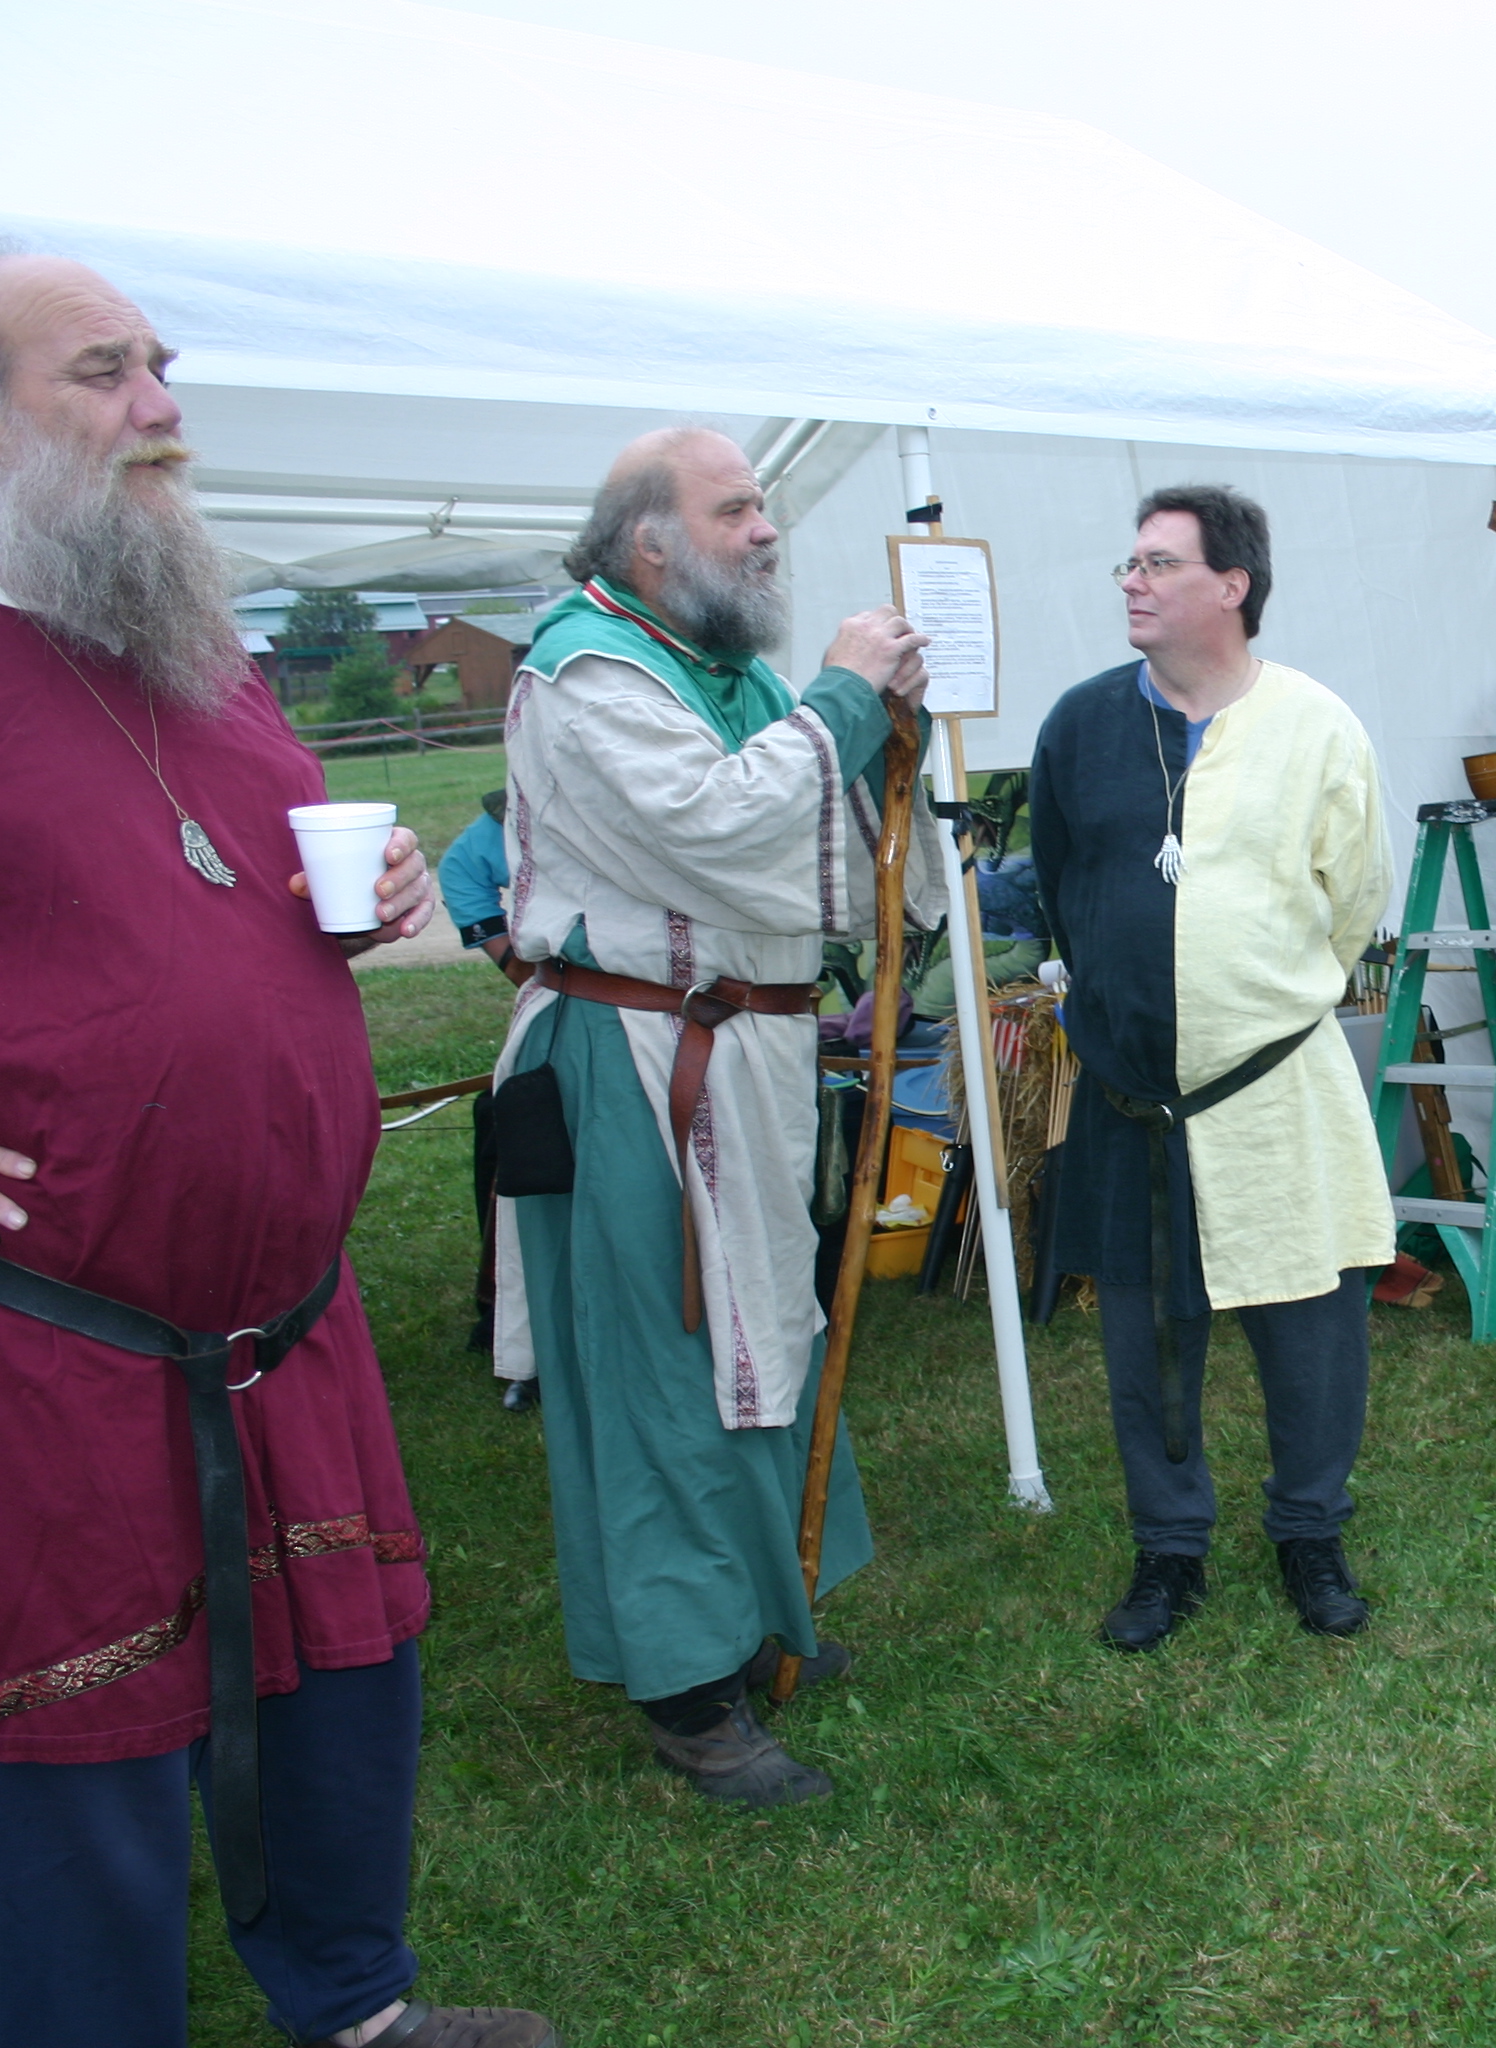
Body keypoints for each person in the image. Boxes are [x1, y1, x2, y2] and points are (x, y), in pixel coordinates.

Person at [0, 250, 550, 2047]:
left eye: (159, 365)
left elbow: (236, 890)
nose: (163, 409)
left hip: (289, 1314)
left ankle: (353, 2005)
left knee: (342, 1688)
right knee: (75, 1754)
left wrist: (375, 886)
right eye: (103, 372)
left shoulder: (187, 643)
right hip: (37, 1327)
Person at [494, 427, 939, 1804]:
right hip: (637, 1060)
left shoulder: (725, 669)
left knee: (758, 1323)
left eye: (763, 506)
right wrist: (845, 697)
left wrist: (888, 725)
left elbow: (822, 824)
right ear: (650, 541)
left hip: (737, 1053)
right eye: (735, 508)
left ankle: (754, 1609)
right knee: (664, 1363)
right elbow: (720, 825)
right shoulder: (588, 669)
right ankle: (687, 1685)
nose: (764, 530)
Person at [1026, 484, 1395, 1651]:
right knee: (1143, 1337)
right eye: (1129, 562)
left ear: (1232, 585)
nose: (1131, 581)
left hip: (1274, 1082)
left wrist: (1255, 1002)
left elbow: (1356, 899)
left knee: (1311, 1325)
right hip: (1133, 1096)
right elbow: (1064, 884)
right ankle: (1168, 1547)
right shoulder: (1079, 725)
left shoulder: (1317, 725)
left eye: (1159, 563)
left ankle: (1311, 1529)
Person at [437, 788, 537, 1389]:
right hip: (583, 1002)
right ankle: (503, 1305)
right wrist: (521, 971)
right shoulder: (493, 831)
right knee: (506, 1117)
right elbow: (461, 872)